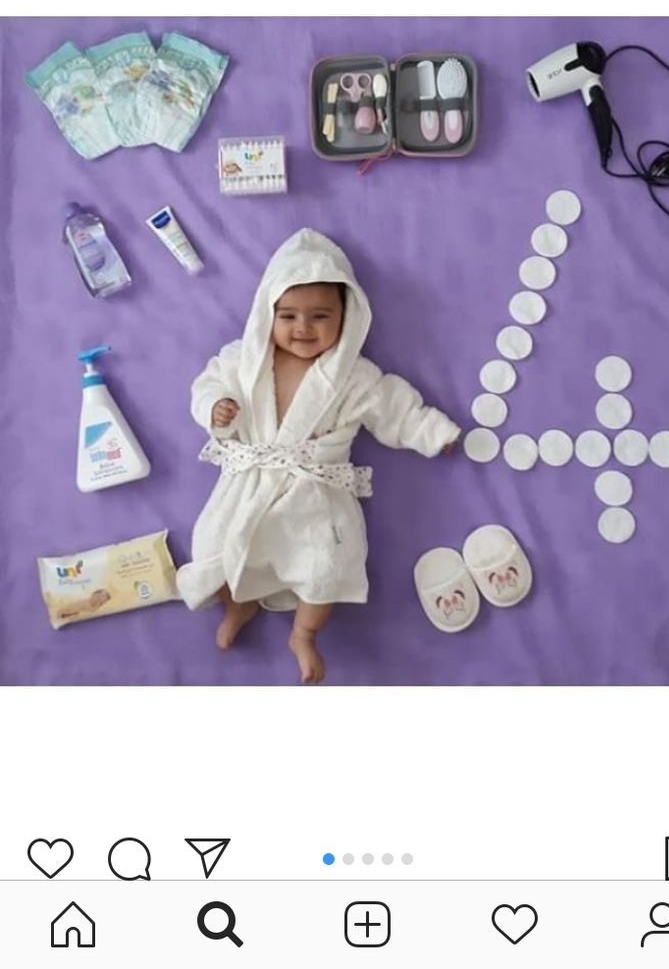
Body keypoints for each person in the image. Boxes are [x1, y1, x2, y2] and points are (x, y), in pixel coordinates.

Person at [177, 228, 461, 683]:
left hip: (315, 495)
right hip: (249, 482)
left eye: (319, 316)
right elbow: (206, 385)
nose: (303, 328)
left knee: (326, 566)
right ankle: (240, 604)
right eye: (287, 315)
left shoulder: (353, 375)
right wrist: (215, 408)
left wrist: (430, 432)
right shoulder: (241, 361)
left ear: (346, 320)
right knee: (218, 547)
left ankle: (303, 635)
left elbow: (393, 407)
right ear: (266, 314)